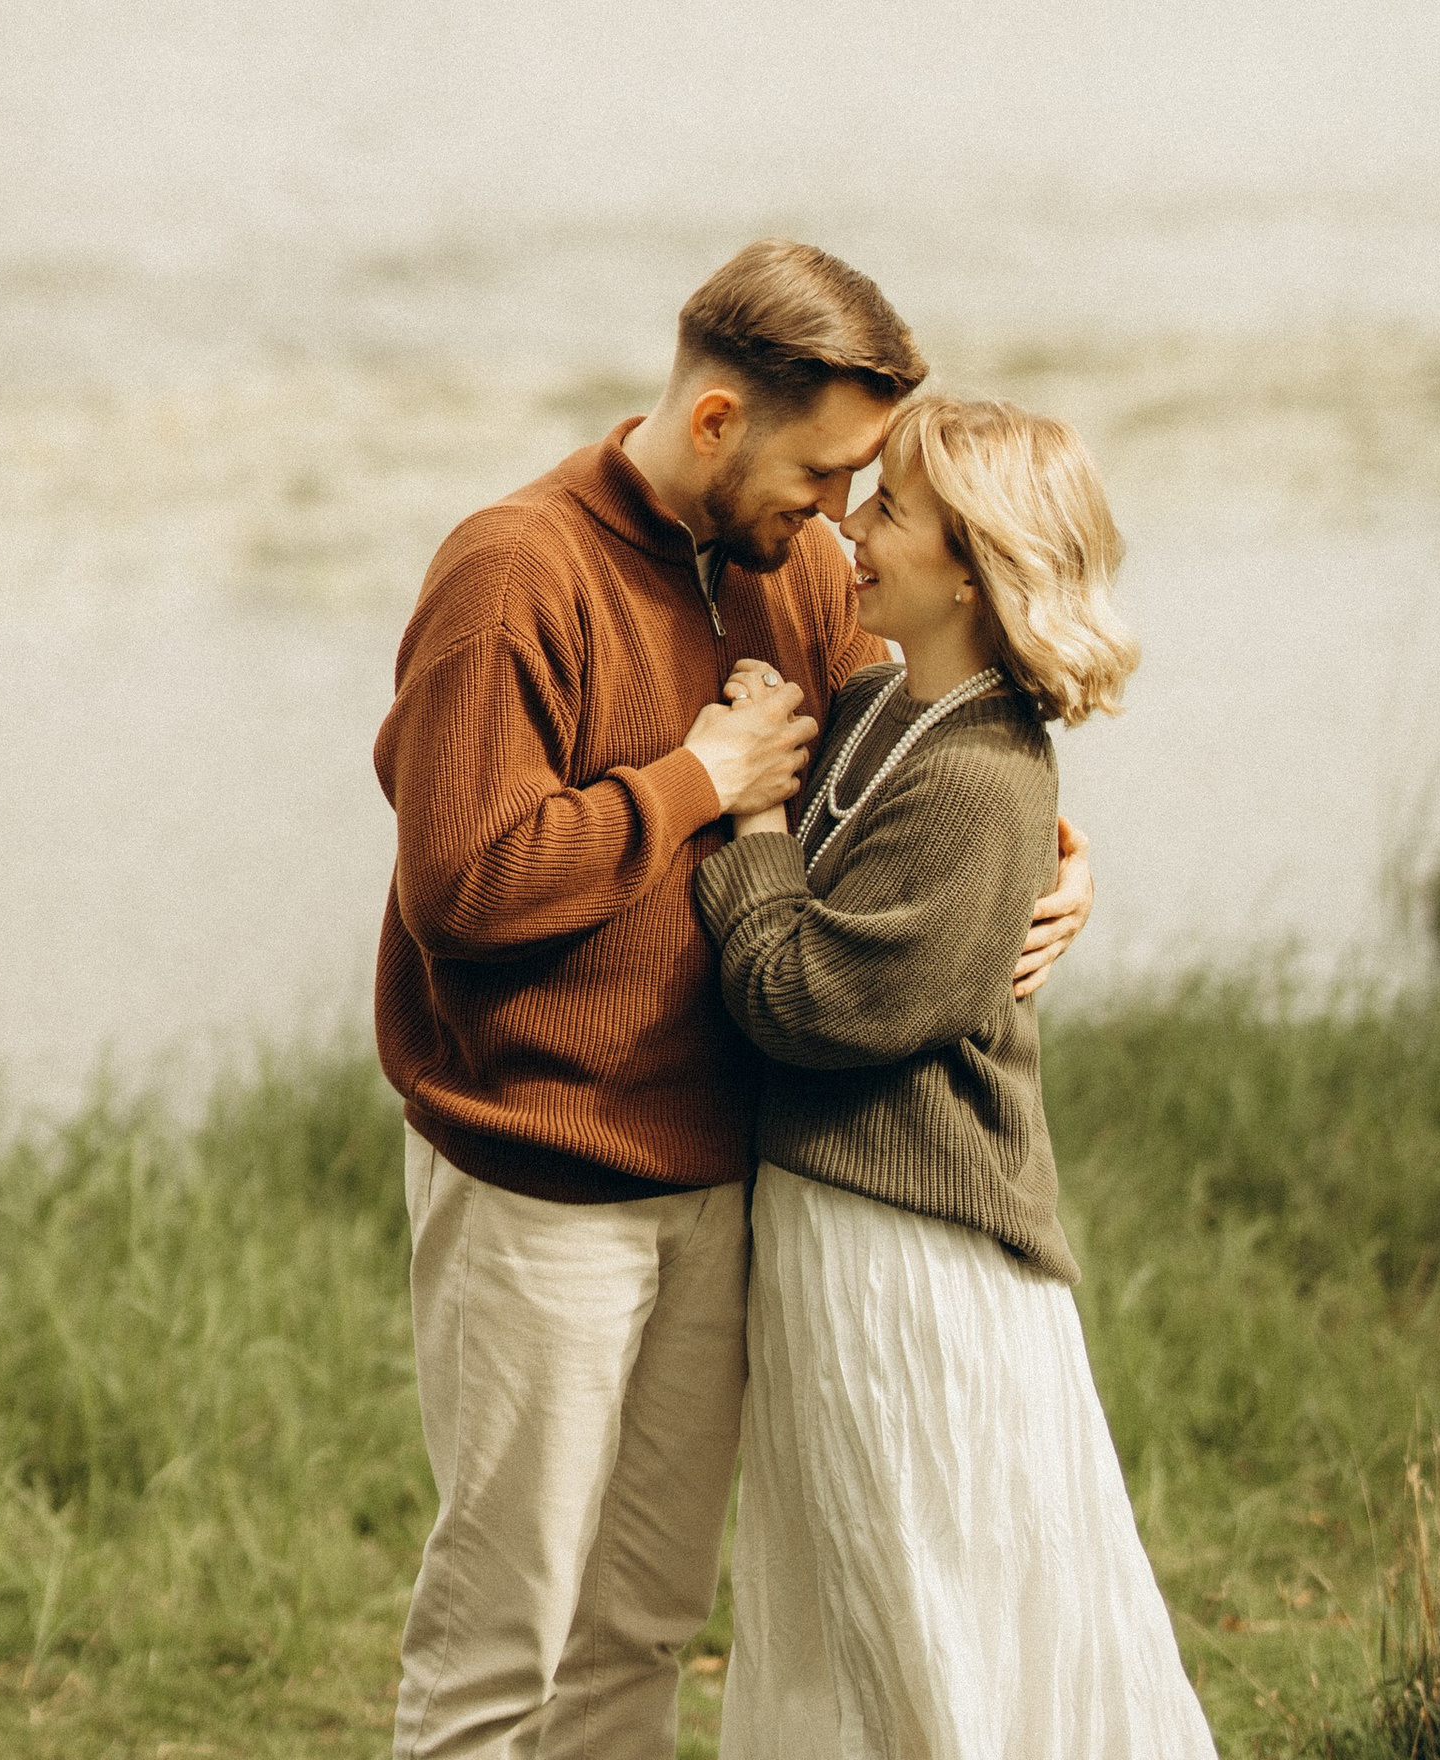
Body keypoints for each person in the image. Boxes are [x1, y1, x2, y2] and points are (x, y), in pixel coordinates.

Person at [373, 242, 1093, 1760]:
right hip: (540, 1182)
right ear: (715, 422)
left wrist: (1061, 857)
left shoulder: (798, 574)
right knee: (507, 1637)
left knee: (642, 1625)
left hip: (721, 1183)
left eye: (859, 490)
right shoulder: (512, 574)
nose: (840, 519)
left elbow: (924, 755)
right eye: (825, 472)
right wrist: (692, 784)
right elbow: (464, 886)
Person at [696, 391, 1212, 1760]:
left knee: (937, 1598)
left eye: (892, 517)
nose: (853, 531)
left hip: (915, 1259)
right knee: (844, 1600)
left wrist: (744, 823)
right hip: (831, 1238)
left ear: (971, 572)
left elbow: (806, 995)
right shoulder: (883, 706)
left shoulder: (987, 778)